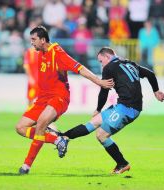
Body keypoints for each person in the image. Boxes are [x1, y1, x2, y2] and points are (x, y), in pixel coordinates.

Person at [15, 26, 114, 175]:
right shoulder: (41, 52)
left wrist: (99, 81)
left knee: (41, 123)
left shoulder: (58, 53)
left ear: (43, 40)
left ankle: (26, 166)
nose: (31, 43)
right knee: (20, 128)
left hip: (58, 97)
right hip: (42, 99)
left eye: (34, 39)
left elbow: (80, 68)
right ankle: (57, 140)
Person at [61, 47, 164, 174]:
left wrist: (98, 109)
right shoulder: (129, 63)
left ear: (107, 57)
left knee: (101, 135)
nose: (101, 64)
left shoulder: (109, 68)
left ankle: (122, 163)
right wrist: (156, 90)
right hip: (125, 105)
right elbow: (150, 74)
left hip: (127, 108)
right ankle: (64, 136)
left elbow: (104, 91)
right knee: (94, 122)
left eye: (100, 61)